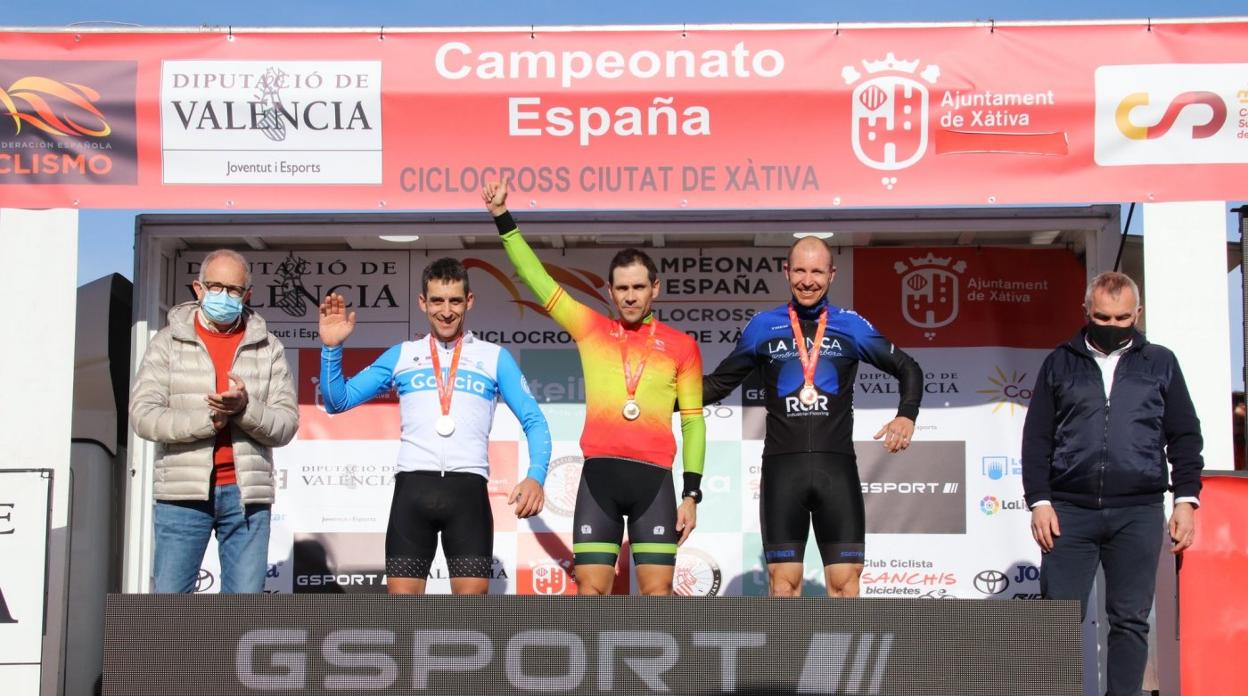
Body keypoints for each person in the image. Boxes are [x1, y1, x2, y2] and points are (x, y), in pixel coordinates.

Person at [483, 180, 706, 596]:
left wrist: (691, 494)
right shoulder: (591, 329)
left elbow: (693, 423)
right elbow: (537, 279)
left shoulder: (682, 346)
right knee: (590, 595)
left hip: (655, 483)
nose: (631, 297)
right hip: (599, 478)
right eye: (622, 288)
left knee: (659, 594)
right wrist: (503, 219)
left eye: (639, 287)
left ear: (655, 288)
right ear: (610, 291)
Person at [1022, 270, 1203, 696]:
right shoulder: (1060, 362)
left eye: (1122, 317)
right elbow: (1037, 437)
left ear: (1137, 315)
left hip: (1139, 510)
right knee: (1058, 620)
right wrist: (1039, 500)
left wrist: (1186, 498)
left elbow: (1185, 436)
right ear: (1086, 311)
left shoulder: (1160, 363)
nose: (1112, 324)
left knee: (1129, 620)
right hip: (1069, 512)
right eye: (1102, 317)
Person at [702, 235, 922, 598]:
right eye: (800, 270)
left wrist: (906, 415)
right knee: (783, 587)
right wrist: (660, 398)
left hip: (836, 469)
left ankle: (844, 657)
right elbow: (718, 385)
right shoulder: (762, 326)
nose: (808, 280)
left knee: (846, 584)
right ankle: (787, 658)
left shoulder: (850, 325)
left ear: (832, 275)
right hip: (782, 471)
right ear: (786, 271)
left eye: (817, 271)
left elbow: (908, 368)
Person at [318, 257, 551, 595]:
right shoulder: (403, 354)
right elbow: (337, 401)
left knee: (470, 617)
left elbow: (534, 420)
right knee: (403, 616)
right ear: (422, 302)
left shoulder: (493, 357)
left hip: (467, 493)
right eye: (437, 301)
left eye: (455, 300)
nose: (446, 311)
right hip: (412, 490)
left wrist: (536, 475)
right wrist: (331, 348)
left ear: (468, 301)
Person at [130, 248, 298, 593]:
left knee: (241, 614)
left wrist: (244, 410)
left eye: (234, 289)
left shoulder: (268, 347)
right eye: (215, 286)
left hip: (246, 497)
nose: (224, 295)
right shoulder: (167, 343)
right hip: (181, 495)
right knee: (170, 608)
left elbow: (285, 424)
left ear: (247, 295)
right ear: (198, 288)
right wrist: (209, 419)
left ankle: (226, 651)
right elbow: (143, 416)